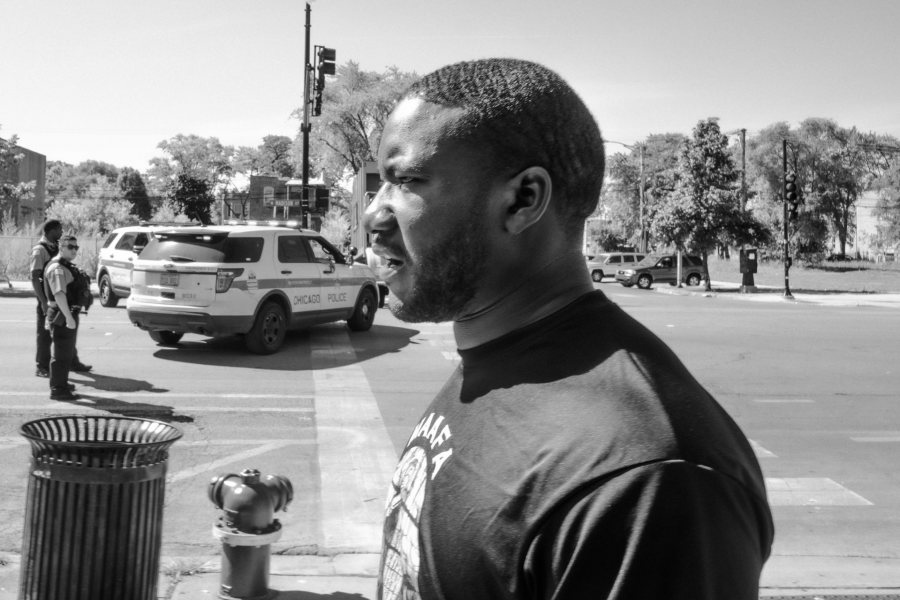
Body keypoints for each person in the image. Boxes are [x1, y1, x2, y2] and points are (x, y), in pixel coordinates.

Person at [364, 58, 774, 600]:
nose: (373, 216)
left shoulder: (648, 481)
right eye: (380, 185)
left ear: (523, 199)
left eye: (407, 181)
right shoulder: (495, 357)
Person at [31, 220, 91, 378]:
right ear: (51, 231)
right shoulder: (40, 250)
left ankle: (72, 361)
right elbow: (35, 277)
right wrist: (43, 302)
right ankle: (42, 366)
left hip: (61, 298)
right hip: (50, 300)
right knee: (45, 335)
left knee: (67, 334)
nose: (61, 232)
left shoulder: (54, 248)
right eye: (59, 230)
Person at [43, 234, 91, 400]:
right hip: (63, 316)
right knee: (61, 355)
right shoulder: (58, 269)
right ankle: (58, 389)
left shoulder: (64, 266)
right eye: (70, 247)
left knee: (66, 353)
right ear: (61, 247)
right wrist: (69, 318)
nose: (74, 250)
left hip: (63, 314)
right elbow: (59, 295)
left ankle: (61, 383)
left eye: (76, 247)